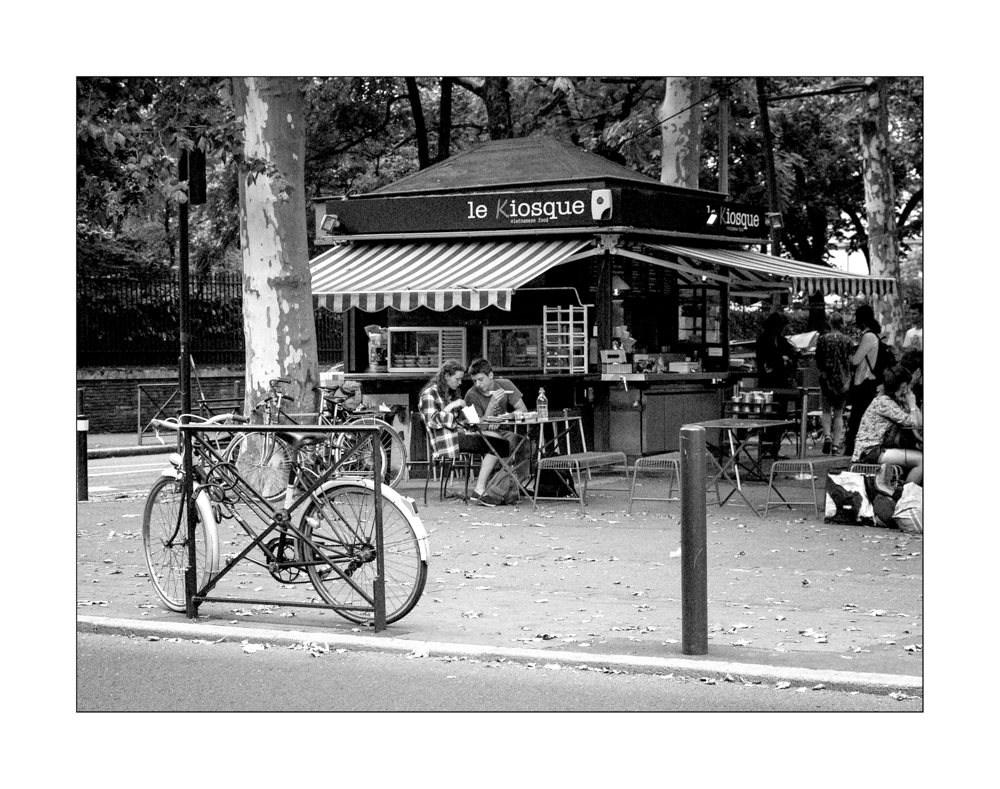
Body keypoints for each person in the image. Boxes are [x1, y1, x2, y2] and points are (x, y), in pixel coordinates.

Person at [418, 360, 510, 507]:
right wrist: (452, 406)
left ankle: (497, 490)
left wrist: (469, 418)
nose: (460, 382)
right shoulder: (429, 394)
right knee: (499, 445)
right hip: (446, 440)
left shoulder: (449, 392)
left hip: (460, 433)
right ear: (446, 376)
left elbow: (460, 420)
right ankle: (480, 490)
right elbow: (432, 420)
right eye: (457, 379)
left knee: (502, 443)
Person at [851, 364, 923, 493]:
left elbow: (919, 422)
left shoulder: (893, 401)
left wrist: (911, 405)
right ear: (903, 385)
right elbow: (913, 422)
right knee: (921, 460)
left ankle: (904, 493)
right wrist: (912, 403)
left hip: (878, 449)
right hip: (870, 451)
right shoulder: (884, 402)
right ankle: (903, 497)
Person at [754, 311, 799, 458]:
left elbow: (792, 354)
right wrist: (782, 360)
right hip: (768, 383)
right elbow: (768, 359)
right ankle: (766, 446)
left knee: (780, 416)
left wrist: (783, 360)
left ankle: (775, 446)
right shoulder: (763, 340)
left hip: (781, 382)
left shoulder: (781, 340)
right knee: (768, 415)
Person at [843, 304, 882, 457]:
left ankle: (853, 449)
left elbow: (855, 360)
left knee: (857, 418)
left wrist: (848, 356)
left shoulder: (868, 337)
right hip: (869, 382)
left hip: (863, 381)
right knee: (861, 417)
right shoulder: (874, 336)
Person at [814, 312, 853, 455]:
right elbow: (851, 359)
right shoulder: (847, 340)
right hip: (843, 380)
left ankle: (827, 436)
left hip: (826, 378)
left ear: (830, 323)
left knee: (826, 410)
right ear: (842, 323)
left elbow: (818, 358)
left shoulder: (822, 339)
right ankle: (836, 446)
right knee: (839, 413)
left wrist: (824, 371)